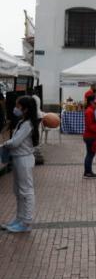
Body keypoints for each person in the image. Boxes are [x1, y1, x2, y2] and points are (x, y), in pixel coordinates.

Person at [0, 96, 39, 232]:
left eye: (18, 106)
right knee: (18, 191)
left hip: (23, 159)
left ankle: (26, 222)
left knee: (26, 191)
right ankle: (19, 218)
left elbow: (16, 142)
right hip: (18, 159)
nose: (15, 109)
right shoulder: (23, 122)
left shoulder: (28, 124)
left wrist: (4, 144)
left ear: (25, 109)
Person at [83, 93, 96, 179]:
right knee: (90, 154)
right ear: (91, 101)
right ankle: (87, 173)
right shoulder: (89, 111)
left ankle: (89, 171)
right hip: (90, 136)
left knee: (91, 154)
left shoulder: (93, 109)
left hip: (92, 136)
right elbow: (90, 126)